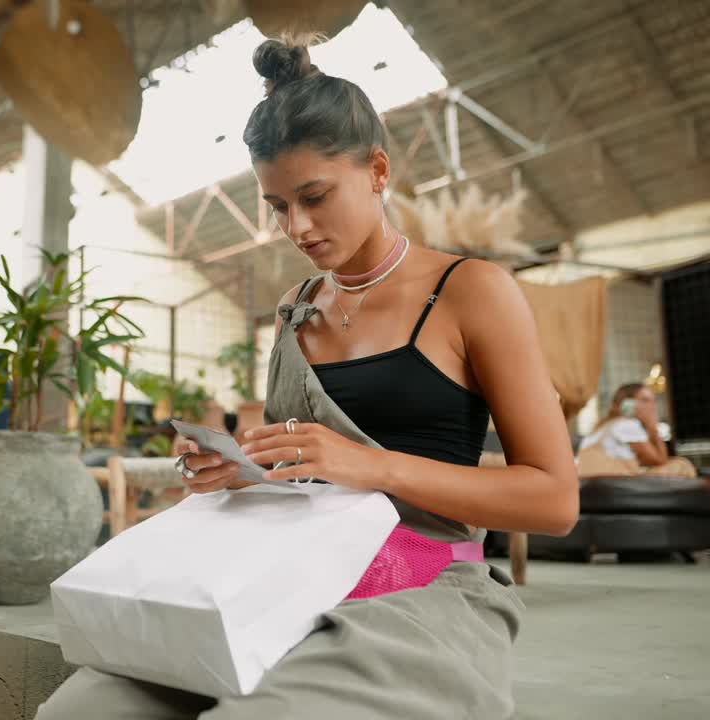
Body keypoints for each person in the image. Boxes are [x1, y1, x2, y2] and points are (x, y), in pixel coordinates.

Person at [36, 38, 578, 719]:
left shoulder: (472, 291)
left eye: (315, 196)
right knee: (80, 712)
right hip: (293, 574)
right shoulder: (295, 309)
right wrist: (244, 472)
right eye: (277, 206)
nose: (298, 226)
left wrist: (368, 467)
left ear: (378, 170)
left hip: (423, 586)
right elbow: (307, 483)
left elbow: (555, 501)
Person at [576, 383, 698, 478]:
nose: (652, 406)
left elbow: (645, 462)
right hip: (616, 482)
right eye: (645, 400)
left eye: (653, 401)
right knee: (682, 464)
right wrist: (652, 427)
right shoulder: (627, 424)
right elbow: (660, 460)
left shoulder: (604, 426)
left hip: (594, 484)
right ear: (626, 403)